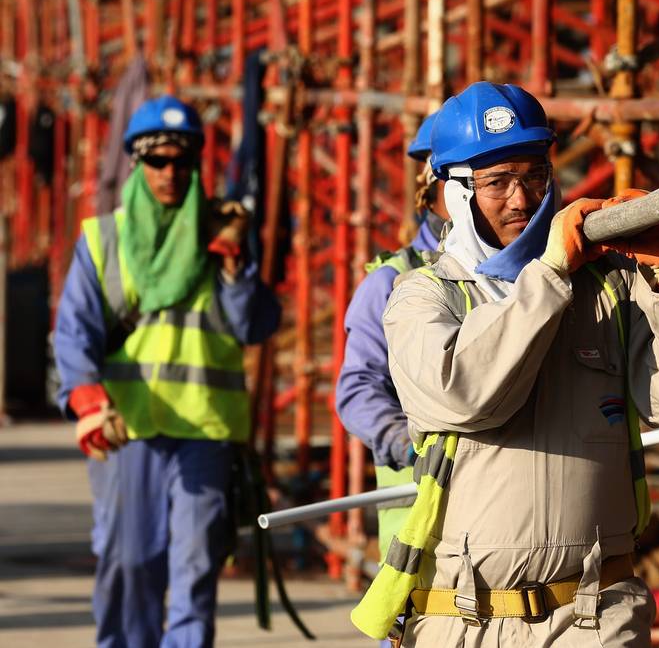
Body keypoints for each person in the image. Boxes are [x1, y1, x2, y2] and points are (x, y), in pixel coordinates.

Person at [351, 82, 659, 646]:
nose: (521, 200)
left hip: (596, 615)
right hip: (466, 620)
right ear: (456, 192)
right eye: (497, 182)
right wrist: (550, 274)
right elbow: (465, 396)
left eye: (535, 177)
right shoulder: (423, 294)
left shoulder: (606, 287)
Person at [53, 95, 281, 648]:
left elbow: (253, 326)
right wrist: (86, 402)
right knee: (128, 563)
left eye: (181, 160)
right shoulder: (104, 239)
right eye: (158, 160)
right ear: (137, 162)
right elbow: (74, 330)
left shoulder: (221, 231)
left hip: (204, 432)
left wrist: (235, 269)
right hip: (128, 430)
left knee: (195, 567)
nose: (170, 172)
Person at [335, 110, 450, 561]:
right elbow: (357, 389)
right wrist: (406, 442)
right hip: (418, 536)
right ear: (431, 185)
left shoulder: (531, 277)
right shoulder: (390, 281)